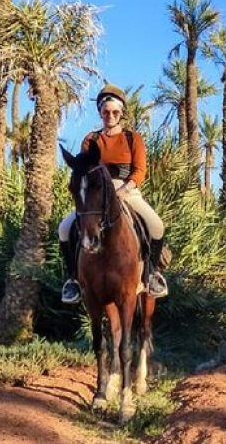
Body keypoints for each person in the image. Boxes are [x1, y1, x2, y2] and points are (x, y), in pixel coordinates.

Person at [58, 84, 168, 304]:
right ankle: (73, 280)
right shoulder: (91, 139)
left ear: (121, 113)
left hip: (127, 190)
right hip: (96, 193)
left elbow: (140, 170)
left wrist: (123, 190)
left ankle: (152, 275)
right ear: (100, 112)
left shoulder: (132, 138)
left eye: (115, 112)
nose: (110, 116)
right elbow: (82, 169)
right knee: (64, 228)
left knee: (156, 225)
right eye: (106, 111)